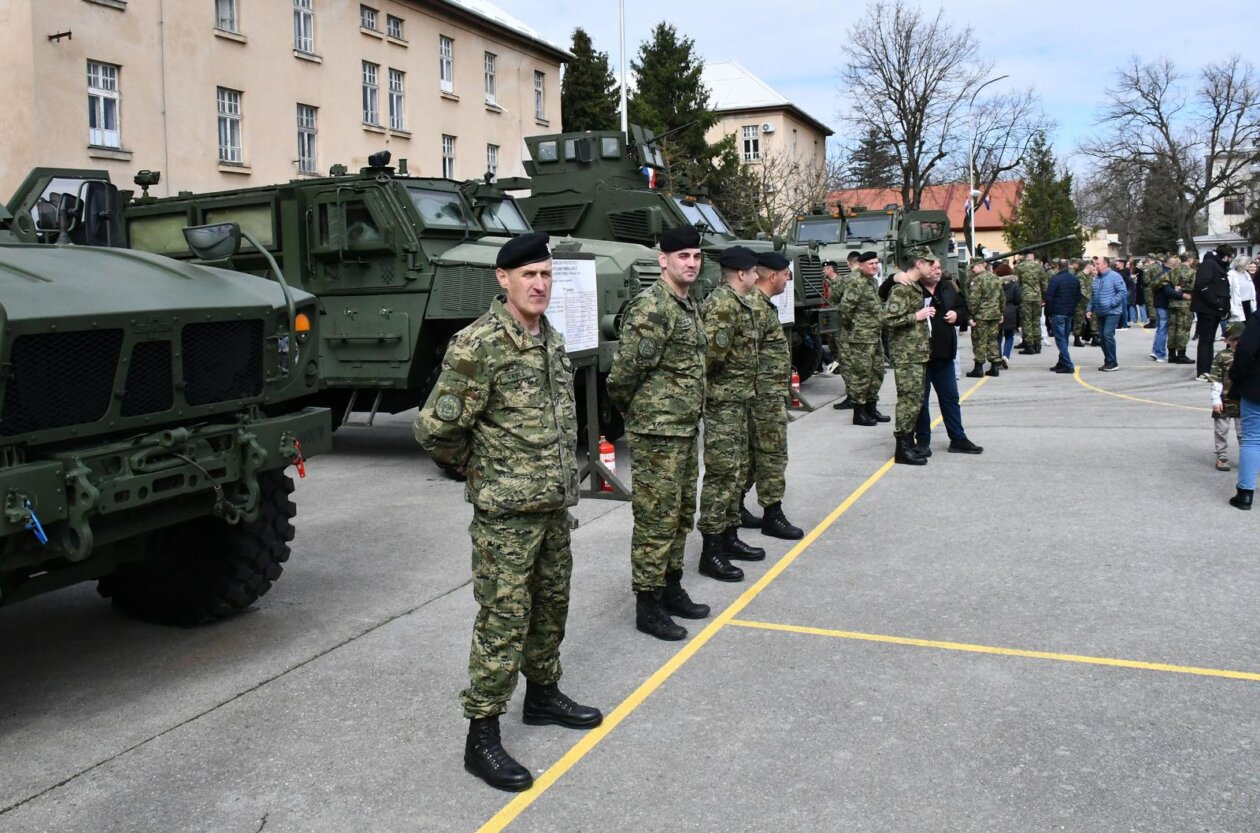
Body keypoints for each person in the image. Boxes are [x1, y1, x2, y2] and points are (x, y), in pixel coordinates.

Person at [414, 231, 602, 793]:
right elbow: (436, 429)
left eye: (546, 274)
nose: (539, 285)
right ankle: (482, 735)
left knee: (551, 606)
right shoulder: (478, 345)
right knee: (502, 621)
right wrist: (482, 471)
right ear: (503, 279)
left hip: (553, 508)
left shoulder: (550, 338)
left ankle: (542, 695)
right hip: (506, 518)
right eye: (528, 275)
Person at [606, 225, 712, 641]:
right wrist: (639, 412)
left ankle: (671, 587)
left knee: (681, 514)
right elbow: (624, 375)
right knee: (656, 519)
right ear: (662, 260)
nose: (691, 263)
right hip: (658, 433)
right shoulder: (652, 307)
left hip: (683, 428)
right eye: (683, 256)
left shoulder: (688, 304)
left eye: (696, 256)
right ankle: (647, 604)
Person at [696, 245, 764, 581]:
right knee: (721, 474)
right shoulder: (723, 305)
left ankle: (729, 535)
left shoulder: (740, 302)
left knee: (735, 472)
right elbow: (709, 358)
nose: (757, 275)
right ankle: (711, 549)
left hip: (738, 401)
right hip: (723, 403)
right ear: (741, 273)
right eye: (754, 271)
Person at [743, 251, 804, 540]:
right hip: (762, 397)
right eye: (786, 275)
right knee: (772, 454)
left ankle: (735, 506)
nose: (787, 280)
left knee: (755, 457)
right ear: (772, 276)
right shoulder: (756, 307)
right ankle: (772, 513)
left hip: (767, 393)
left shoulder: (762, 305)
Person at [913, 258, 983, 456]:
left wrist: (957, 315)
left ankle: (958, 439)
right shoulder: (911, 288)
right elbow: (884, 292)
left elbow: (964, 308)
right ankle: (922, 440)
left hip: (944, 355)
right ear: (921, 268)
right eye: (933, 268)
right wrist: (895, 277)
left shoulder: (948, 287)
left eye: (939, 268)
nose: (937, 271)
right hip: (919, 356)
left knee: (950, 398)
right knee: (921, 401)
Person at [882, 247, 935, 465]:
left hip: (916, 353)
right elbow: (888, 318)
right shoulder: (902, 289)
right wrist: (916, 316)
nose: (932, 267)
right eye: (929, 263)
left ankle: (909, 442)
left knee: (915, 400)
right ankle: (902, 449)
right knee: (908, 400)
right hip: (906, 355)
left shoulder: (915, 287)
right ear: (919, 263)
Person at [835, 250, 890, 426]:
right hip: (860, 338)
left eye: (876, 263)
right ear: (860, 265)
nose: (874, 266)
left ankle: (871, 408)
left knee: (877, 373)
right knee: (862, 375)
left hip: (874, 335)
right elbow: (844, 309)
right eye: (870, 264)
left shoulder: (872, 281)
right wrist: (854, 328)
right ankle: (859, 413)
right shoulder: (856, 282)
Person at [1226, 311, 1260, 510]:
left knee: (1252, 440)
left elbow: (1246, 350)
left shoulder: (1257, 319)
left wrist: (1236, 375)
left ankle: (1245, 494)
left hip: (1256, 386)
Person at [1193, 244, 1234, 378]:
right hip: (1207, 308)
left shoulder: (1219, 266)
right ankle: (1202, 371)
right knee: (1205, 340)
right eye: (1230, 257)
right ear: (1226, 256)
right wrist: (1215, 302)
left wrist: (1224, 306)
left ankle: (1208, 368)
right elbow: (1202, 285)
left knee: (1210, 340)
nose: (1231, 260)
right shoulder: (1209, 264)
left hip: (1215, 309)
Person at [1211, 321, 1246, 472]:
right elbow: (1216, 379)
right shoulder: (1222, 356)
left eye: (1240, 339)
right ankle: (1222, 455)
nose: (1237, 343)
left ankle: (1247, 456)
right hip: (1224, 400)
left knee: (1244, 432)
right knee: (1221, 430)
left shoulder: (1250, 355)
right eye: (1234, 339)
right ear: (1227, 340)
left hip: (1244, 401)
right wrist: (1215, 399)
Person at [965, 257, 1004, 378]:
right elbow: (1002, 297)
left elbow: (973, 300)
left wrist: (970, 315)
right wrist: (1001, 312)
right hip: (994, 314)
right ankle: (995, 366)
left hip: (981, 315)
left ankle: (978, 368)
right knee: (992, 340)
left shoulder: (977, 280)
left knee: (979, 341)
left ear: (979, 265)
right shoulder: (995, 278)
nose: (972, 270)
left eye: (973, 267)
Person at [1087, 255, 1126, 371]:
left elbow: (1122, 292)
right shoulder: (1097, 278)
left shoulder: (1115, 276)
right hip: (1100, 312)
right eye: (1095, 264)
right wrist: (1089, 309)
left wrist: (1112, 303)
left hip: (1112, 312)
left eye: (1097, 264)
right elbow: (1093, 295)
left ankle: (1113, 362)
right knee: (1102, 337)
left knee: (1107, 335)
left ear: (1105, 264)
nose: (1095, 266)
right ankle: (1108, 360)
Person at [1045, 258, 1082, 373]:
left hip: (1058, 312)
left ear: (1058, 267)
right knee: (1064, 339)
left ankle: (1068, 364)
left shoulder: (1055, 279)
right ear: (1068, 266)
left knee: (1060, 340)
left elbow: (1049, 297)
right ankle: (1061, 362)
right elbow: (1078, 296)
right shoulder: (1074, 279)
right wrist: (1072, 306)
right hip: (1069, 312)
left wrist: (1049, 313)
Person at [1165, 255, 1196, 364]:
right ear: (1189, 259)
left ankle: (1171, 354)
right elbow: (1194, 287)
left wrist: (1177, 288)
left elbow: (1166, 285)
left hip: (1173, 303)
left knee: (1172, 328)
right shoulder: (1191, 272)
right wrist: (1183, 290)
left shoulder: (1172, 271)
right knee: (1183, 329)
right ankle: (1181, 354)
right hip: (1185, 303)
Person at [1015, 252, 1047, 354]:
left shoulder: (1020, 267)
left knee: (1026, 321)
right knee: (1036, 321)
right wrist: (1044, 297)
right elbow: (1044, 283)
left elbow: (1018, 282)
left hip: (1026, 296)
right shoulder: (1039, 267)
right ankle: (1038, 345)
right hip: (1037, 296)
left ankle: (1029, 346)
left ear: (1025, 257)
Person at [1147, 254, 1174, 362]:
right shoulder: (1169, 274)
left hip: (1158, 303)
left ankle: (1155, 350)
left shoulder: (1159, 274)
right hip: (1164, 304)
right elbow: (1168, 290)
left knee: (1160, 329)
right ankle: (1160, 354)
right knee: (1163, 330)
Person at [996, 262, 1021, 360]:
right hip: (1011, 311)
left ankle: (998, 357)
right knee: (1009, 336)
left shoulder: (995, 284)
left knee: (998, 337)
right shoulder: (1015, 285)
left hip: (998, 311)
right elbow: (1018, 299)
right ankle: (1006, 356)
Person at [1072, 259, 1094, 347]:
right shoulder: (1080, 276)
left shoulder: (1090, 276)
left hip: (1088, 302)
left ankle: (1090, 336)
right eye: (1093, 265)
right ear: (1088, 266)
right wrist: (1090, 299)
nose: (1094, 267)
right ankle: (1076, 339)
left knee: (1091, 320)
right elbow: (1082, 290)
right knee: (1078, 320)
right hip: (1080, 303)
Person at [1228, 255, 1255, 323]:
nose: (1249, 265)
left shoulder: (1246, 274)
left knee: (1248, 326)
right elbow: (1229, 291)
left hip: (1248, 304)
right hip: (1237, 304)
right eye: (1248, 263)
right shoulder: (1231, 275)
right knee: (1237, 327)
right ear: (1242, 263)